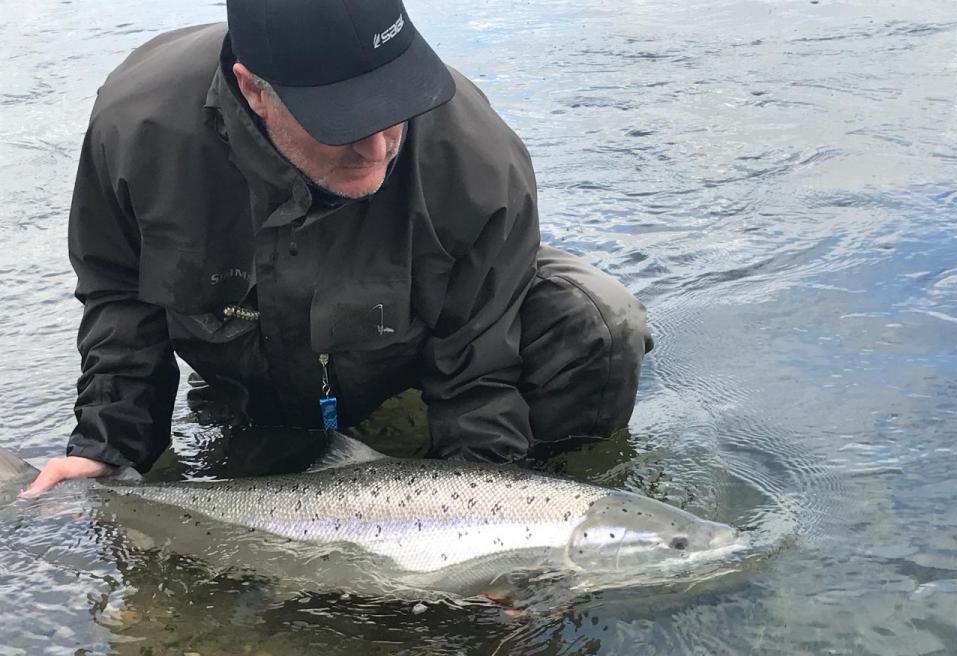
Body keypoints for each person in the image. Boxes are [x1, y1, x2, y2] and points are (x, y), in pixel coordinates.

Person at [22, 0, 653, 498]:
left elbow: (480, 371)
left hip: (398, 352)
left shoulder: (479, 161)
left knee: (596, 316)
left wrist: (487, 518)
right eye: (343, 120)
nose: (378, 149)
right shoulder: (137, 132)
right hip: (246, 363)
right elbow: (119, 298)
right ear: (254, 90)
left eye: (394, 107)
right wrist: (107, 451)